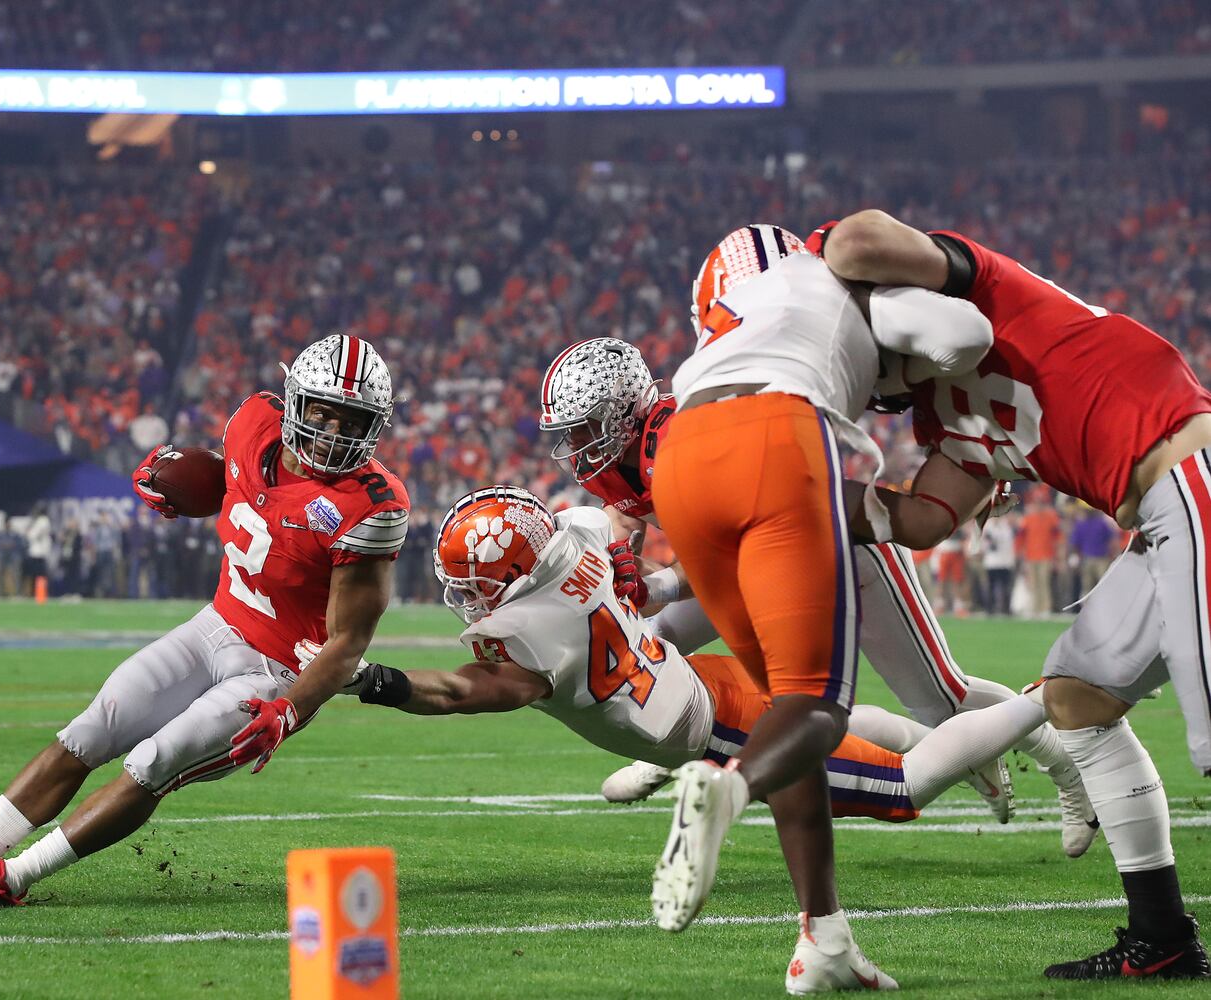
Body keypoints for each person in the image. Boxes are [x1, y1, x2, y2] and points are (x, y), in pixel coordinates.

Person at [357, 488, 1086, 993]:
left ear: (515, 574)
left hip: (713, 724)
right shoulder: (571, 532)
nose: (467, 599)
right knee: (838, 721)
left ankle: (1038, 702)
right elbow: (609, 521)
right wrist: (617, 559)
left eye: (474, 583)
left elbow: (458, 692)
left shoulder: (531, 639)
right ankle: (976, 756)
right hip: (696, 680)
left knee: (898, 788)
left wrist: (371, 680)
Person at [818, 209, 1211, 979]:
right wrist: (806, 496)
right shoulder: (945, 421)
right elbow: (926, 518)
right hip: (1161, 519)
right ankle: (1159, 939)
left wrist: (804, 274)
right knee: (1078, 697)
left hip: (1193, 478)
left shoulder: (993, 296)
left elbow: (858, 239)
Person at [0, 334, 409, 907]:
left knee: (152, 762)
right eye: (323, 413)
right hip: (216, 624)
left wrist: (290, 709)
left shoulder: (374, 505)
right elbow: (224, 478)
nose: (334, 433)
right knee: (92, 728)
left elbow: (348, 641)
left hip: (278, 673)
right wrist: (173, 480)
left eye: (352, 420)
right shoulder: (254, 420)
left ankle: (7, 880)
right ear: (293, 404)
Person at [536, 338, 1090, 837]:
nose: (576, 443)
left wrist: (653, 586)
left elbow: (723, 546)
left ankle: (1061, 765)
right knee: (652, 649)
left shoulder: (686, 437)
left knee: (943, 698)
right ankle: (686, 748)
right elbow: (629, 510)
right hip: (766, 559)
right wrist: (619, 547)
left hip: (842, 544)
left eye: (586, 425)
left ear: (626, 412)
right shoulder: (617, 459)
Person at [643, 224, 996, 990]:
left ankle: (823, 936)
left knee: (783, 708)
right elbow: (965, 331)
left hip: (680, 457)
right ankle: (727, 789)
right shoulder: (830, 277)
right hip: (774, 435)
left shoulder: (730, 314)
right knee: (816, 706)